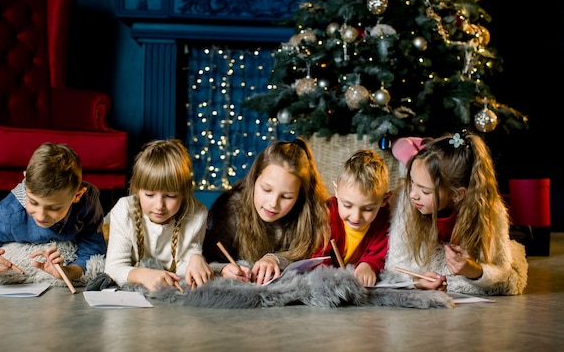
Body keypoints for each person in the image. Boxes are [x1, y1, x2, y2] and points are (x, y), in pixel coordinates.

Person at [380, 130, 529, 295]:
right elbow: (395, 265)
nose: (412, 194)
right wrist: (417, 281)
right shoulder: (406, 200)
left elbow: (502, 271)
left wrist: (475, 271)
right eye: (412, 183)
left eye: (425, 191)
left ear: (457, 195)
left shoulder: (490, 209)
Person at [0, 143, 106, 286]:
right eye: (33, 202)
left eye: (54, 208)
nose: (41, 215)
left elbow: (94, 252)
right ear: (25, 180)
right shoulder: (8, 214)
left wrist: (68, 271)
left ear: (77, 195)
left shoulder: (87, 203)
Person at [203, 137, 331, 285]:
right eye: (266, 189)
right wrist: (223, 268)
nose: (273, 204)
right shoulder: (233, 207)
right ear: (254, 179)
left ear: (300, 197)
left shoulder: (309, 213)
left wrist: (275, 260)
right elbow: (207, 258)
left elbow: (309, 257)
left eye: (286, 197)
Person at [104, 139, 213, 291]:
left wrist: (195, 258)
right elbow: (113, 268)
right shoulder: (124, 210)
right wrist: (142, 275)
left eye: (170, 196)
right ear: (137, 189)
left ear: (184, 193)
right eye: (149, 194)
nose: (159, 206)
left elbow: (185, 262)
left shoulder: (197, 214)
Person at [313, 149, 391, 287]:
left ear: (384, 200)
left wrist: (367, 265)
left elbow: (379, 253)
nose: (356, 216)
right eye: (347, 205)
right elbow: (317, 255)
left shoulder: (384, 220)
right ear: (336, 191)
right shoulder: (326, 214)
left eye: (367, 209)